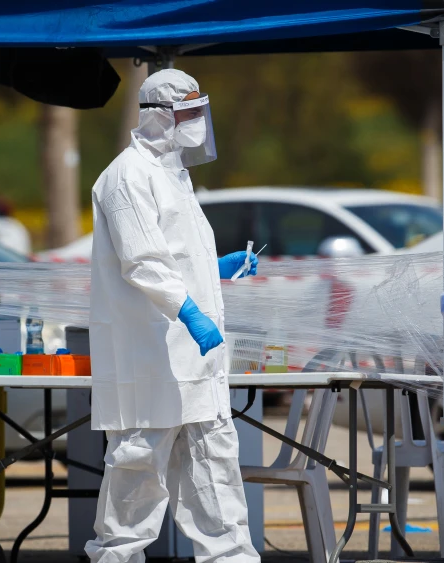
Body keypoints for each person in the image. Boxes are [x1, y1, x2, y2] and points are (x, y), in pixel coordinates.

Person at [86, 68, 261, 563]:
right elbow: (143, 262)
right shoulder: (126, 176)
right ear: (157, 116)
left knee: (216, 474)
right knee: (136, 475)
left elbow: (175, 252)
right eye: (185, 113)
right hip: (150, 358)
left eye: (197, 112)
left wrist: (215, 267)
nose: (195, 123)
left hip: (196, 362)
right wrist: (191, 312)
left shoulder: (174, 174)